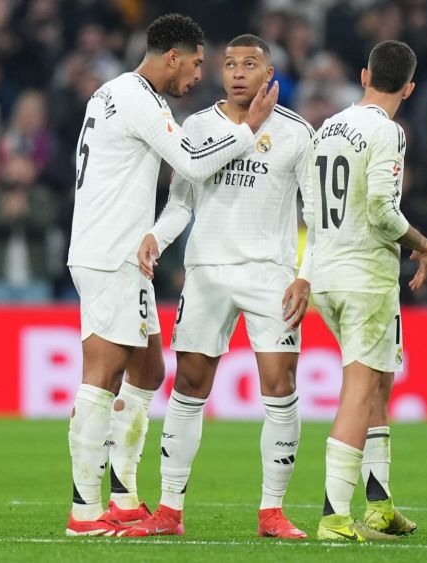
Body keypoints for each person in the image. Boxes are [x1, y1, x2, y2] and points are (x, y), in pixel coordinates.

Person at [64, 13, 277, 537]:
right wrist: (248, 129)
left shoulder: (113, 92)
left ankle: (123, 491)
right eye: (199, 63)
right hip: (111, 250)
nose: (201, 75)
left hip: (121, 248)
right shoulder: (139, 99)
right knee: (102, 375)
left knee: (148, 371)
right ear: (173, 57)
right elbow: (191, 162)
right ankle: (84, 511)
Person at [134, 34, 310, 539]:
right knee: (189, 385)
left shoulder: (297, 133)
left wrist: (306, 274)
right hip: (207, 272)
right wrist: (156, 237)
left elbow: (316, 215)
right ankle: (169, 510)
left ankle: (272, 511)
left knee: (281, 387)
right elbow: (181, 202)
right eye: (229, 63)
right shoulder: (198, 126)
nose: (236, 72)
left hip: (268, 276)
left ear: (269, 73)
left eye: (249, 64)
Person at [296, 40, 427, 542]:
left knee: (378, 384)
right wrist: (421, 242)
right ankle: (334, 516)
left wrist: (307, 271)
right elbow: (381, 209)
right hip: (365, 277)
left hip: (328, 273)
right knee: (359, 387)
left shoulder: (329, 126)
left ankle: (378, 505)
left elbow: (311, 205)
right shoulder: (388, 132)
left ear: (364, 75)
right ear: (410, 89)